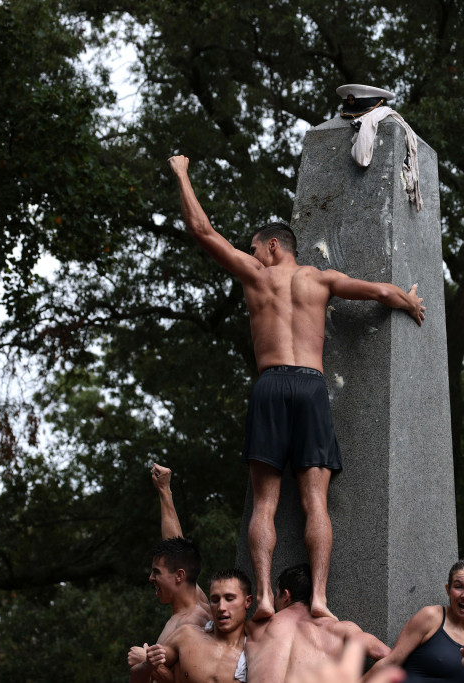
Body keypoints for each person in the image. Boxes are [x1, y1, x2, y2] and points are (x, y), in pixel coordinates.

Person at [168, 154, 426, 620]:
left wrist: (183, 172)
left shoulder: (256, 276)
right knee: (315, 501)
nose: (251, 253)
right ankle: (321, 598)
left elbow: (202, 231)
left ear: (270, 247)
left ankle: (264, 595)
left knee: (265, 502)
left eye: (254, 246)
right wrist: (410, 300)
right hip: (310, 386)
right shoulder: (320, 279)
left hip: (270, 385)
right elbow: (383, 293)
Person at [127, 465, 211, 683]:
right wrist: (164, 491)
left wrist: (147, 661)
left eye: (156, 573)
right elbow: (174, 547)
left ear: (179, 576)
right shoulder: (186, 606)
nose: (151, 578)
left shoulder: (200, 619)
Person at [245, 564, 391, 683]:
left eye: (277, 594)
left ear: (286, 595)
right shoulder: (340, 629)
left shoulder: (256, 627)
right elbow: (386, 655)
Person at [147, 569, 254, 683]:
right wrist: (145, 663)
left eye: (229, 599)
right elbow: (147, 670)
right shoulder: (187, 636)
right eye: (215, 600)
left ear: (247, 602)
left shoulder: (256, 652)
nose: (221, 607)